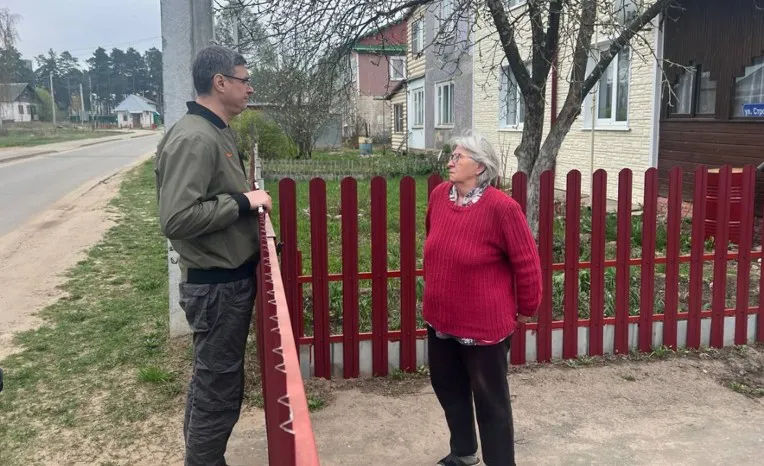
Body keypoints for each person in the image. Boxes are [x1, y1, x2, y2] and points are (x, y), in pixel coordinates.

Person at [155, 45, 272, 466]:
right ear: (220, 83)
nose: (250, 88)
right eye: (244, 80)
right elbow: (176, 218)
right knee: (218, 390)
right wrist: (242, 202)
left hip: (226, 283)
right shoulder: (194, 137)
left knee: (212, 382)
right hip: (217, 287)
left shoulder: (216, 131)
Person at [423, 133, 542, 466]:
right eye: (452, 156)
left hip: (483, 328)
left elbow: (527, 263)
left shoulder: (503, 209)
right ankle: (463, 452)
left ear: (479, 166)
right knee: (448, 388)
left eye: (458, 157)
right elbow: (433, 238)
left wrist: (527, 307)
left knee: (491, 401)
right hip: (441, 318)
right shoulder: (438, 196)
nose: (450, 162)